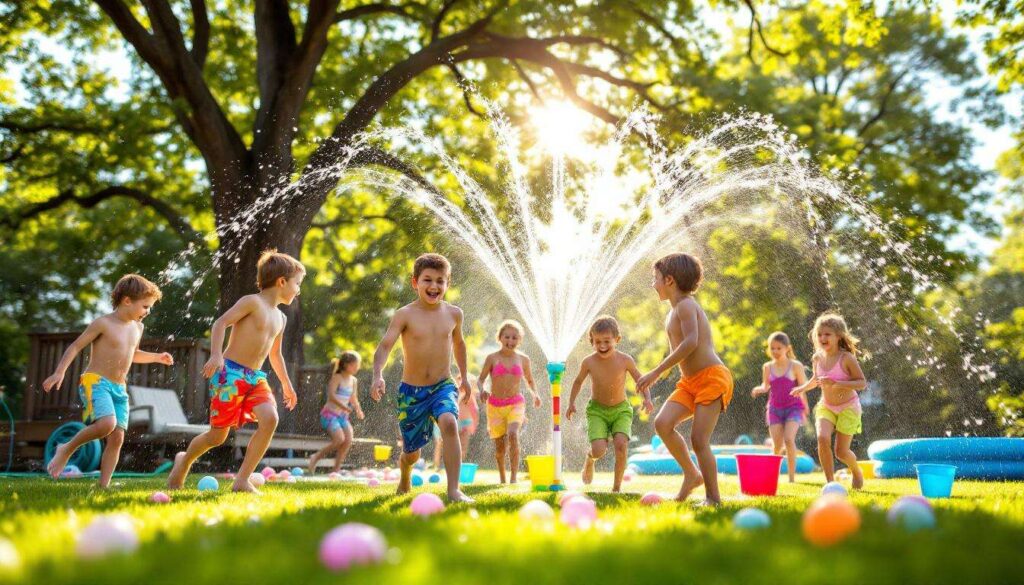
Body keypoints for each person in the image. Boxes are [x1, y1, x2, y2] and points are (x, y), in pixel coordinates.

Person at [167, 250, 303, 493]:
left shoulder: (281, 318)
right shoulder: (252, 302)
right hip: (229, 373)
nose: (299, 290)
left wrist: (286, 383)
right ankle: (184, 459)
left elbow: (275, 354)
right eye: (297, 284)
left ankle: (242, 480)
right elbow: (220, 323)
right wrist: (217, 355)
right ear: (282, 282)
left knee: (270, 419)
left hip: (255, 378)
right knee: (217, 436)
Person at [42, 274, 172, 488]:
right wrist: (59, 372)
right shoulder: (103, 323)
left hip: (119, 388)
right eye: (145, 306)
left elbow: (133, 353)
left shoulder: (137, 327)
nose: (147, 312)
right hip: (96, 382)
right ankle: (66, 448)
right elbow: (76, 346)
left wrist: (156, 357)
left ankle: (104, 485)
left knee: (117, 437)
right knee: (106, 425)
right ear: (127, 301)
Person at [370, 253, 473, 502]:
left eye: (441, 281)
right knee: (413, 454)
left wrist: (465, 377)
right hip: (412, 392)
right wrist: (377, 375)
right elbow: (384, 346)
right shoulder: (404, 314)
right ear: (415, 282)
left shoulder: (454, 314)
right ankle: (405, 469)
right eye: (427, 280)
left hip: (443, 386)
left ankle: (453, 489)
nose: (434, 286)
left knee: (449, 423)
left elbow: (460, 345)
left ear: (447, 284)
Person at [638, 253, 734, 505]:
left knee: (699, 439)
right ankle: (692, 474)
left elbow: (691, 342)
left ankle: (713, 499)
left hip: (712, 378)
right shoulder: (670, 314)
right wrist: (654, 377)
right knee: (662, 423)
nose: (653, 284)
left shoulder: (687, 305)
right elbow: (677, 352)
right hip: (690, 383)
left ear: (669, 280)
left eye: (655, 278)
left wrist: (656, 372)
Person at [566, 316, 653, 492]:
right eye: (597, 342)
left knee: (621, 445)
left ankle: (616, 488)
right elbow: (577, 382)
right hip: (597, 411)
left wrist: (647, 398)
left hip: (621, 410)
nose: (602, 346)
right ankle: (590, 459)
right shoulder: (589, 362)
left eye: (607, 341)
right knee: (599, 450)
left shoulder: (625, 360)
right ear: (592, 341)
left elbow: (640, 379)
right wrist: (571, 403)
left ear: (617, 340)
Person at [791, 313, 867, 489]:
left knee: (841, 452)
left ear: (838, 336)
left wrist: (837, 383)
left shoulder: (846, 358)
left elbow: (861, 383)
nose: (823, 338)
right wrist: (802, 388)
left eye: (827, 334)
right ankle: (830, 483)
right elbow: (817, 380)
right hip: (827, 406)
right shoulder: (818, 358)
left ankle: (856, 471)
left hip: (848, 407)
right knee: (822, 437)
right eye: (819, 334)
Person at [477, 320, 541, 483]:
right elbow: (481, 380)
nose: (510, 341)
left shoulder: (524, 359)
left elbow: (530, 380)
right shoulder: (492, 358)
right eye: (507, 337)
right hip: (495, 405)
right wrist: (482, 390)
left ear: (519, 340)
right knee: (500, 447)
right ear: (500, 337)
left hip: (515, 403)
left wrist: (535, 394)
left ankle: (513, 478)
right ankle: (503, 478)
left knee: (513, 434)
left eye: (514, 338)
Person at [750, 331, 810, 483]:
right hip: (774, 409)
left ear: (787, 349)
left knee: (789, 440)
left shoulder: (795, 366)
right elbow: (765, 385)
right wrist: (759, 389)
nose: (775, 351)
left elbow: (803, 387)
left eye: (779, 348)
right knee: (777, 446)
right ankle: (773, 476)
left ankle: (791, 478)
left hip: (793, 408)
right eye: (772, 348)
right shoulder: (767, 367)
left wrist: (805, 407)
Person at [308, 351, 364, 474]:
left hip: (342, 417)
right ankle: (315, 457)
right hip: (329, 415)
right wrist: (344, 406)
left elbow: (353, 398)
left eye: (357, 365)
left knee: (348, 440)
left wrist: (358, 410)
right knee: (339, 439)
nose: (357, 368)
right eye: (354, 365)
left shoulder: (353, 380)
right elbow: (332, 396)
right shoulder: (337, 377)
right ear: (345, 365)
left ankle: (336, 470)